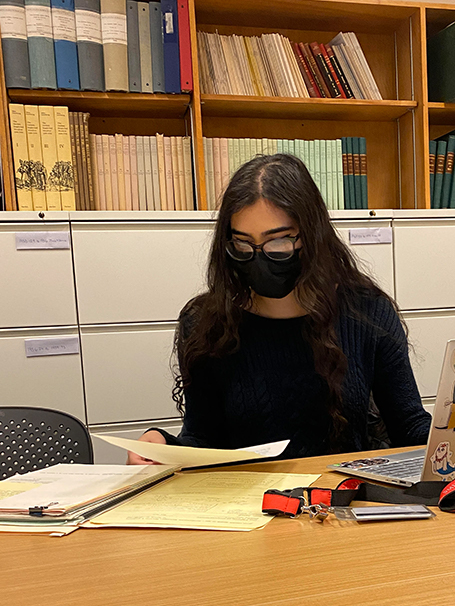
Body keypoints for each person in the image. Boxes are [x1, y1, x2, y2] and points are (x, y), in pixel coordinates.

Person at [127, 153, 430, 464]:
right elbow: (204, 439)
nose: (260, 257)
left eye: (278, 242)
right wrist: (161, 445)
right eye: (243, 244)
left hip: (342, 503)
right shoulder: (207, 324)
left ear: (311, 235)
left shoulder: (367, 312)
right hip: (247, 505)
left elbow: (409, 427)